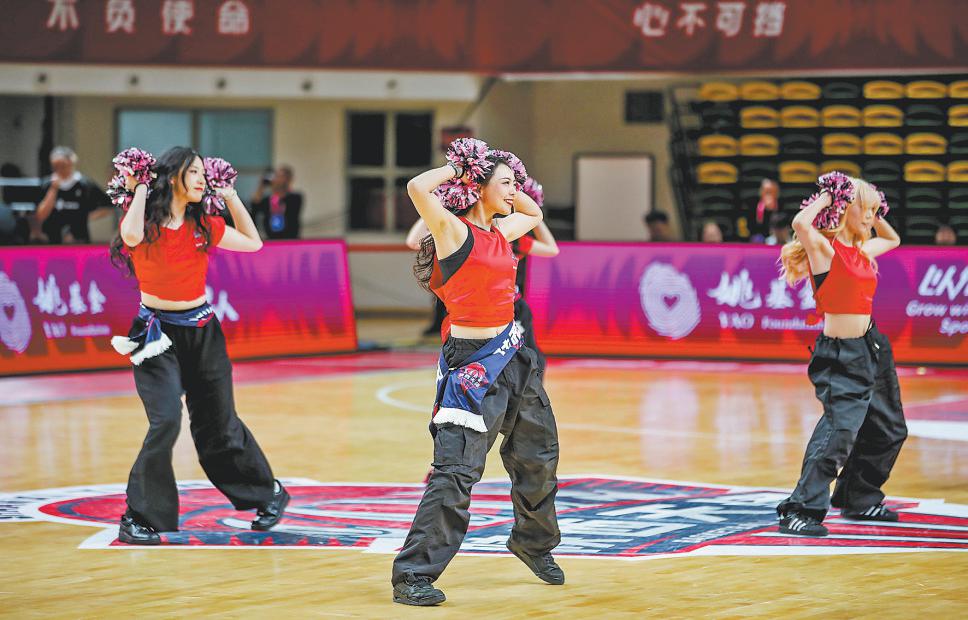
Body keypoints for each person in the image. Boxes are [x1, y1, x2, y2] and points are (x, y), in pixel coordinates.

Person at [392, 148, 563, 606]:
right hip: (471, 365)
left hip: (515, 357)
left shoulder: (502, 231)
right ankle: (413, 573)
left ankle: (532, 544)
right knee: (457, 471)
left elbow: (534, 212)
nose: (514, 191)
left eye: (514, 184)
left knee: (539, 456)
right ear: (478, 188)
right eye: (505, 183)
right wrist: (462, 168)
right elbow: (416, 187)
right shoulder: (452, 230)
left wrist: (508, 179)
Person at [109, 146, 288, 545]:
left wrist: (231, 196)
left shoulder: (203, 224)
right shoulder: (145, 221)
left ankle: (267, 492)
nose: (202, 179)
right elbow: (131, 236)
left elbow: (253, 243)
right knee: (166, 420)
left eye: (204, 174)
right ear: (173, 175)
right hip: (154, 335)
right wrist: (141, 187)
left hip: (202, 331)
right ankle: (139, 516)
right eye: (194, 172)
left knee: (217, 423)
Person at [776, 175, 906, 537]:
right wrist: (830, 196)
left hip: (872, 346)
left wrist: (874, 210)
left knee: (889, 428)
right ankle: (799, 510)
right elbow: (800, 224)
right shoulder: (826, 251)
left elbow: (893, 239)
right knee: (840, 432)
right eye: (866, 209)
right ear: (846, 208)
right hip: (841, 355)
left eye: (875, 210)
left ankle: (858, 498)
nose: (871, 216)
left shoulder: (862, 251)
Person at [35, 146, 113, 243]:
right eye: (55, 167)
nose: (59, 170)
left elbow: (108, 206)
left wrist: (85, 218)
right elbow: (40, 215)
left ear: (71, 163)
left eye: (63, 166)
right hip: (52, 239)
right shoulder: (47, 184)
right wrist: (53, 189)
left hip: (79, 239)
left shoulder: (85, 184)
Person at [250, 165, 303, 239]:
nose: (276, 179)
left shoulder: (295, 198)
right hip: (271, 240)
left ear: (287, 179)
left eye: (280, 176)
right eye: (275, 176)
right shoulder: (267, 200)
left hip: (291, 240)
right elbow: (254, 206)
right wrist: (261, 186)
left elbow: (289, 207)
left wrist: (279, 187)